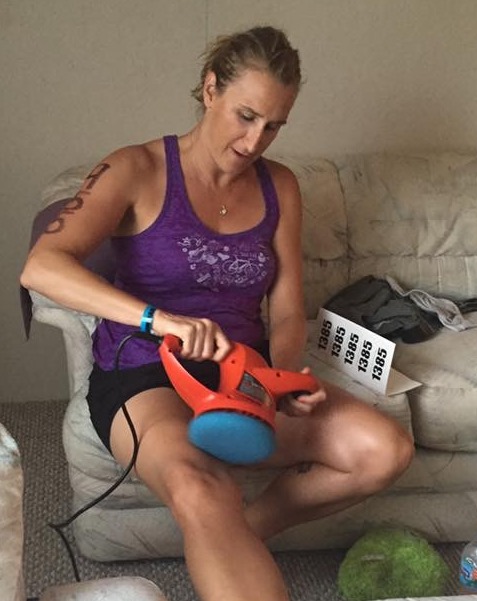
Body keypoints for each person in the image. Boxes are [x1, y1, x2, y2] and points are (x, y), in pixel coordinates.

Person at [21, 25, 414, 601]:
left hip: (242, 374)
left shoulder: (281, 187)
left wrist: (279, 377)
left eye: (273, 125)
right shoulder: (136, 168)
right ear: (210, 90)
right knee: (202, 487)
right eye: (246, 116)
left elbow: (286, 310)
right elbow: (42, 267)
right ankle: (219, 529)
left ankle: (236, 535)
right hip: (144, 373)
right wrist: (161, 320)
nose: (255, 140)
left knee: (384, 450)